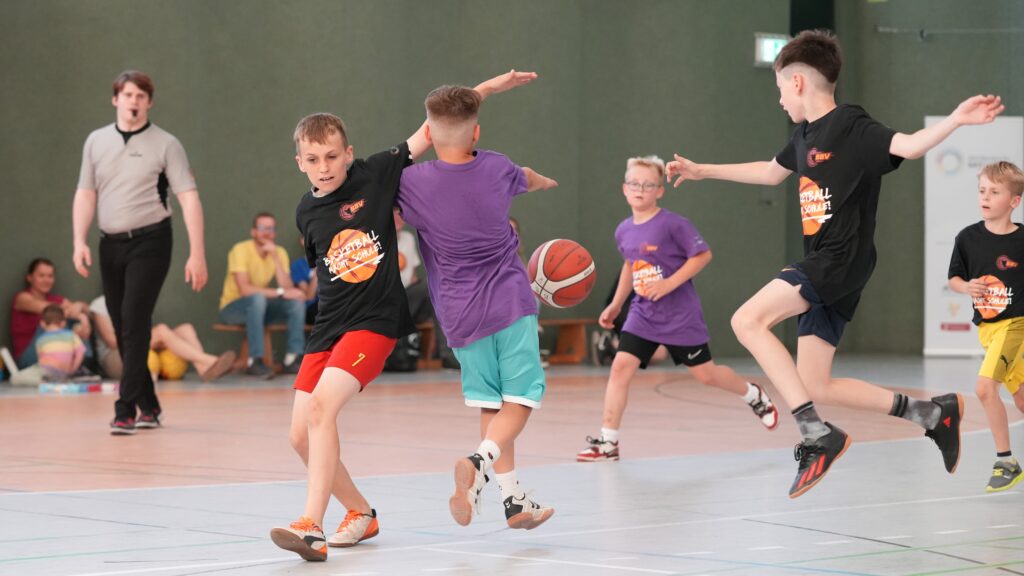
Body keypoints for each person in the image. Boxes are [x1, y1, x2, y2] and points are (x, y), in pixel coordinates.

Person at [664, 29, 1004, 498]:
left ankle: (814, 432)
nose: (780, 99)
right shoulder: (804, 136)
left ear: (799, 83)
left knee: (747, 321)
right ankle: (932, 414)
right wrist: (703, 171)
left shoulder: (851, 125)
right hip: (832, 265)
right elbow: (769, 172)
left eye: (780, 89)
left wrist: (957, 121)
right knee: (814, 382)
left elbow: (908, 145)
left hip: (838, 259)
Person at [269, 71, 537, 562]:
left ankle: (310, 524)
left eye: (332, 156)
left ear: (348, 154)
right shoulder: (306, 211)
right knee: (299, 435)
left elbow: (437, 125)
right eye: (313, 159)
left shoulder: (377, 172)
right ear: (300, 164)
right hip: (329, 325)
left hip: (374, 321)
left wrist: (487, 90)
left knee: (322, 410)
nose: (324, 167)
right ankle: (360, 513)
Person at [398, 84, 558, 531]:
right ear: (477, 133)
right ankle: (479, 460)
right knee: (523, 397)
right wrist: (545, 181)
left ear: (428, 132)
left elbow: (386, 214)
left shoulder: (411, 183)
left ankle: (513, 499)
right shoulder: (496, 168)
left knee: (492, 401)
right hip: (508, 301)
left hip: (457, 313)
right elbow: (528, 177)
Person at [577, 156, 779, 463]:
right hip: (642, 315)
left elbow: (702, 256)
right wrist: (617, 305)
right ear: (624, 189)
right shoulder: (623, 230)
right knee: (620, 368)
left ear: (660, 190)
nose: (640, 189)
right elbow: (630, 266)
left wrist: (668, 284)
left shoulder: (673, 224)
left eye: (648, 184)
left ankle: (753, 395)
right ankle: (608, 443)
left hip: (680, 316)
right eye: (634, 183)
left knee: (707, 376)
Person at [72, 70, 209, 435]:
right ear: (115, 99)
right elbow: (86, 193)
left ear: (149, 102)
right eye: (127, 94)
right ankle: (149, 405)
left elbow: (189, 199)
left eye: (141, 96)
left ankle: (125, 408)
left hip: (151, 241)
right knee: (123, 325)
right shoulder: (95, 142)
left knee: (134, 316)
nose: (134, 101)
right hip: (109, 242)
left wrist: (197, 254)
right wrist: (78, 241)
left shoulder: (166, 144)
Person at [948, 161, 1024, 493]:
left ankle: (1006, 461)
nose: (986, 197)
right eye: (982, 191)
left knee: (984, 388)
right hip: (988, 330)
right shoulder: (967, 238)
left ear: (1014, 201)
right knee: (1021, 400)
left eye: (995, 192)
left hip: (1016, 326)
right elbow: (954, 278)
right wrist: (965, 287)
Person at [218, 212, 307, 378]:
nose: (267, 232)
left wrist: (275, 257)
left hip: (260, 309)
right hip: (233, 309)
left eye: (271, 228)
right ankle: (255, 361)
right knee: (257, 299)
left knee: (295, 302)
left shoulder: (278, 252)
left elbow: (287, 287)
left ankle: (292, 359)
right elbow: (245, 290)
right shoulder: (241, 250)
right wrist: (280, 293)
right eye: (262, 228)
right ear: (253, 231)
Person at [90, 296, 235, 382]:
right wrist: (148, 337)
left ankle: (203, 369)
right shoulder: (101, 303)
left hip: (137, 348)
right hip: (115, 358)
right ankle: (210, 361)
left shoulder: (138, 301)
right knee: (161, 331)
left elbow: (147, 333)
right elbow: (112, 341)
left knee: (186, 328)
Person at [10, 258, 92, 368]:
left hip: (57, 355)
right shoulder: (22, 298)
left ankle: (82, 364)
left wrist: (81, 306)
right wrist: (80, 315)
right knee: (53, 319)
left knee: (74, 322)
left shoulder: (57, 300)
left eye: (50, 276)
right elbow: (50, 309)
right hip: (30, 357)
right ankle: (82, 363)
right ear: (30, 278)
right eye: (41, 276)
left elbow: (88, 310)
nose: (46, 280)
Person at [11, 305, 85, 386]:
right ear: (63, 323)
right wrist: (73, 369)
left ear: (42, 323)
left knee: (15, 378)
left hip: (46, 370)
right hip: (64, 373)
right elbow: (80, 352)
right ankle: (53, 381)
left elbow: (40, 359)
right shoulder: (71, 335)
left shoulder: (41, 339)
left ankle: (43, 382)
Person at [290, 237, 319, 326]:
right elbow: (309, 296)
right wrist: (318, 267)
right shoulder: (298, 265)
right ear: (303, 242)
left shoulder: (335, 262)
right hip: (310, 309)